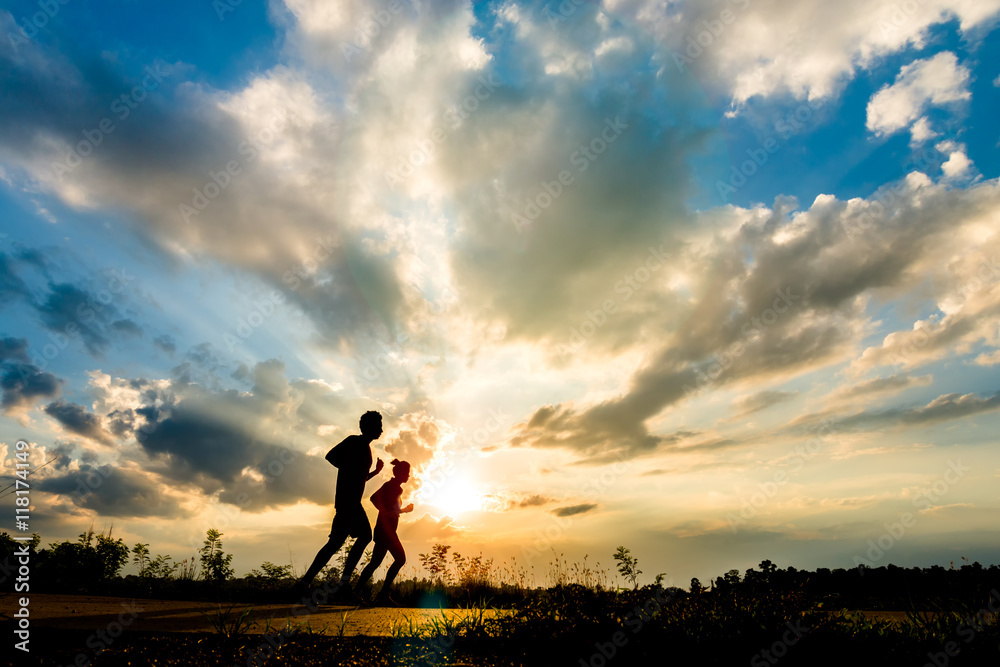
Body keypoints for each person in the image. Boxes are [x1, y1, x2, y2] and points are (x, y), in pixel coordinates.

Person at [294, 410, 384, 600]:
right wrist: (347, 469)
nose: (381, 430)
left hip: (347, 502)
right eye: (379, 425)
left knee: (334, 543)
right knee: (365, 536)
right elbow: (331, 456)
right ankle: (343, 584)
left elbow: (359, 477)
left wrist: (374, 472)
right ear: (369, 427)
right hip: (349, 502)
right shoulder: (354, 441)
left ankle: (304, 583)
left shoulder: (365, 448)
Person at [356, 458, 414, 605]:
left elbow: (393, 511)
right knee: (400, 559)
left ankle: (356, 591)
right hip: (386, 531)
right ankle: (382, 593)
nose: (408, 476)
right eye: (407, 473)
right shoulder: (392, 486)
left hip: (385, 530)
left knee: (375, 562)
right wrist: (385, 512)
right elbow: (374, 498)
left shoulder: (396, 487)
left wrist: (405, 510)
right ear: (399, 473)